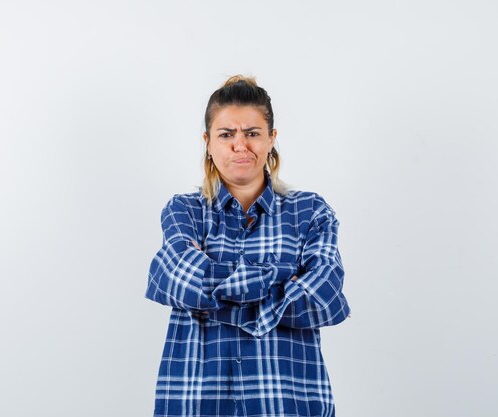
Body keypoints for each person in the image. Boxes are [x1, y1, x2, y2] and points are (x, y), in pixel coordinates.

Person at [145, 74, 351, 417]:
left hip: (289, 405)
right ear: (208, 142)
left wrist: (210, 293)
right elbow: (179, 278)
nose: (240, 145)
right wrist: (279, 282)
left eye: (252, 133)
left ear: (271, 139)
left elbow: (323, 298)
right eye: (227, 134)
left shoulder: (311, 212)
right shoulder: (184, 211)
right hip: (197, 401)